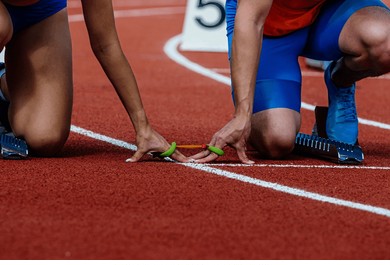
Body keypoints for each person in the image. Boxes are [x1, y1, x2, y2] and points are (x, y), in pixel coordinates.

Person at [192, 0, 390, 164]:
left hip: (325, 14)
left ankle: (340, 80)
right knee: (276, 140)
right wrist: (242, 115)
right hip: (268, 28)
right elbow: (251, 21)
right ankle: (258, 120)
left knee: (386, 43)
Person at [0, 0, 188, 162]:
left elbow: (106, 45)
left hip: (41, 14)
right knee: (2, 26)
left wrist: (143, 128)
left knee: (45, 139)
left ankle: (3, 87)